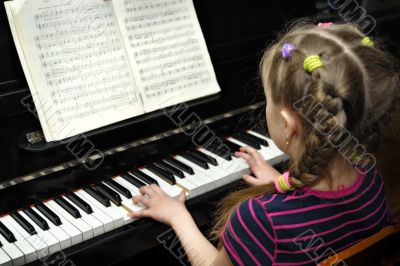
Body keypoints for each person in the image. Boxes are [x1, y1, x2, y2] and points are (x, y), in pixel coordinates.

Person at [127, 20, 399, 265]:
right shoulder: (371, 176)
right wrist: (283, 181)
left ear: (287, 125)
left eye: (267, 99)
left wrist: (178, 216)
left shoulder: (260, 220)